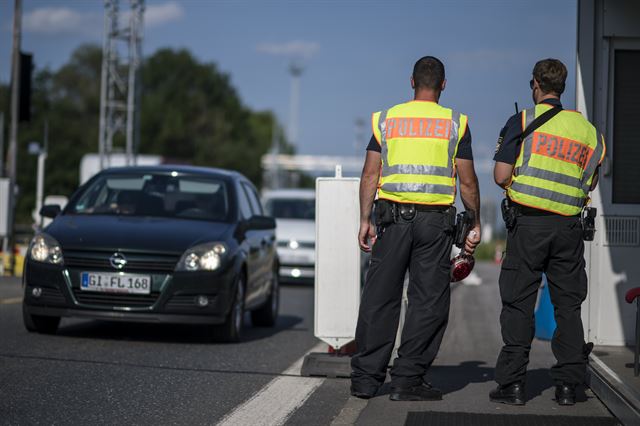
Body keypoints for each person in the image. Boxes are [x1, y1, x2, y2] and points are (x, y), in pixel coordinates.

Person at [350, 56, 482, 401]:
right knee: (427, 302)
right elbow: (467, 181)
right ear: (443, 85)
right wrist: (475, 220)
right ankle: (407, 380)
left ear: (411, 82)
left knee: (380, 298)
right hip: (435, 226)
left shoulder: (388, 119)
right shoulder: (455, 122)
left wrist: (365, 219)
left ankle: (365, 380)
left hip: (392, 220)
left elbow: (370, 173)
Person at [490, 58, 605, 406]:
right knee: (567, 307)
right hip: (568, 228)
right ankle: (569, 386)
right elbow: (592, 180)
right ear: (562, 87)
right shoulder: (588, 132)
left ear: (536, 85)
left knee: (519, 303)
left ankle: (512, 385)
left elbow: (499, 175)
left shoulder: (522, 121)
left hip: (528, 226)